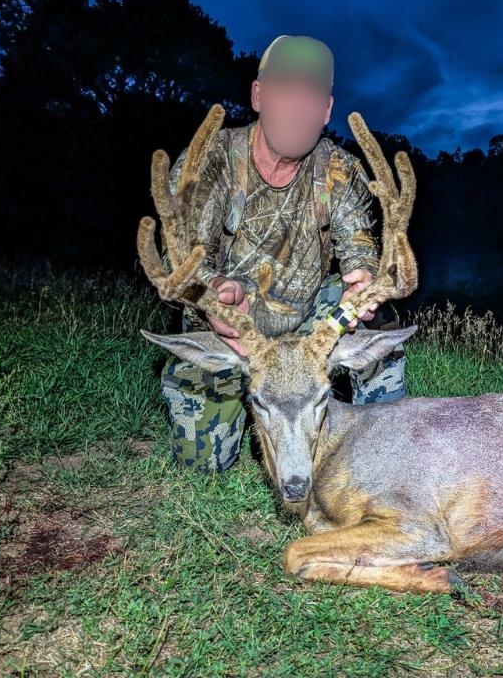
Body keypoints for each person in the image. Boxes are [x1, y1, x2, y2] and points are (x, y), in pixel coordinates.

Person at [160, 35, 407, 472]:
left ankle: (380, 448)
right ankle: (262, 414)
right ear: (258, 95)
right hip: (237, 329)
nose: (296, 107)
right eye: (284, 90)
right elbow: (182, 262)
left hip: (312, 325)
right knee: (204, 462)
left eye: (310, 95)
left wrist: (365, 282)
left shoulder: (340, 170)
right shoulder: (211, 162)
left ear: (326, 109)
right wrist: (214, 291)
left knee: (379, 317)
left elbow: (360, 255)